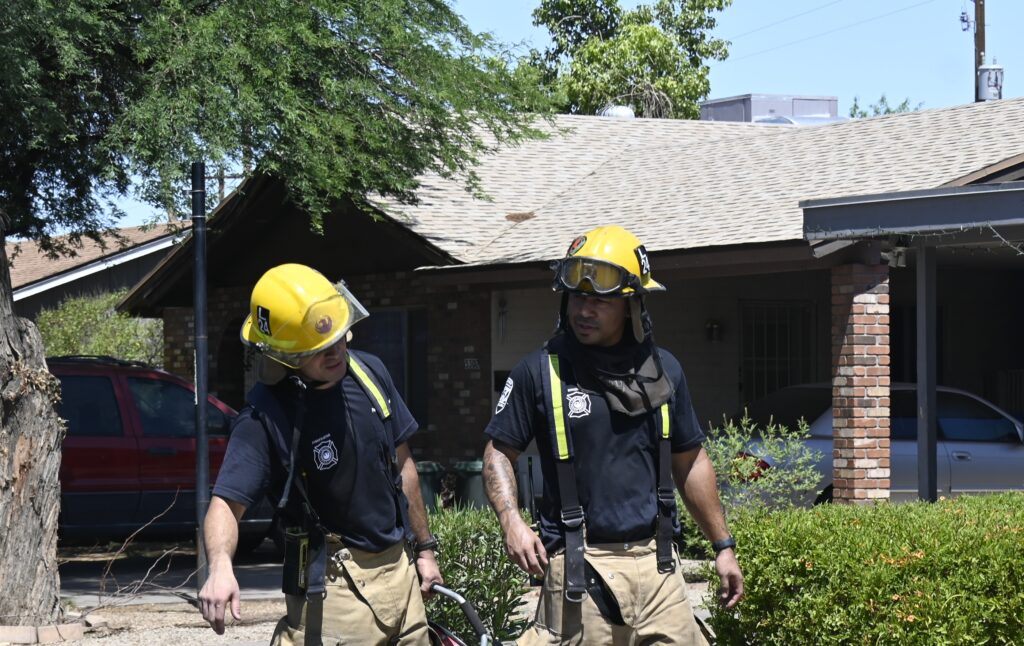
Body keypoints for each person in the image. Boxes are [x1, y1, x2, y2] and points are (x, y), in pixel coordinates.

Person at [482, 225, 744, 645]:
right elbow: (498, 453)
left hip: (660, 567)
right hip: (579, 570)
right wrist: (511, 520)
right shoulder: (539, 371)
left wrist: (722, 545)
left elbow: (690, 461)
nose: (584, 310)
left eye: (600, 301)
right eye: (577, 298)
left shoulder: (665, 371)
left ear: (631, 305)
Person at [198, 263, 441, 645]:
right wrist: (220, 567)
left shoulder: (371, 373)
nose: (336, 351)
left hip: (402, 572)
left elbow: (403, 465)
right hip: (334, 590)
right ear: (283, 353)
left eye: (338, 338)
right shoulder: (265, 418)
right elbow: (226, 505)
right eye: (318, 348)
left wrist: (424, 550)